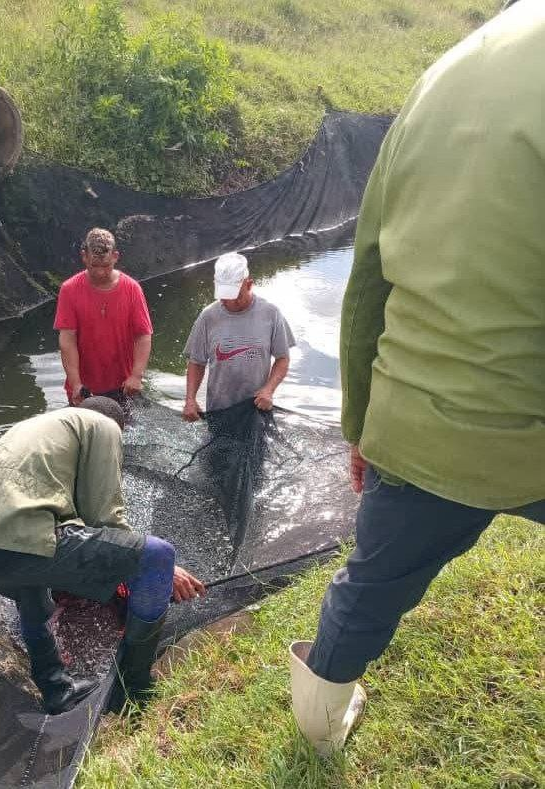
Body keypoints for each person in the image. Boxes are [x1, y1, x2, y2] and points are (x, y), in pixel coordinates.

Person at [289, 0, 545, 756]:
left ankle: (318, 726)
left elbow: (366, 276)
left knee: (367, 590)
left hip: (416, 421)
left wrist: (363, 425)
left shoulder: (442, 74)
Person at [0, 396, 205, 715]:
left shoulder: (32, 427)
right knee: (159, 554)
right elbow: (102, 515)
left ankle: (57, 690)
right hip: (17, 534)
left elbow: (59, 513)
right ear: (118, 427)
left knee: (33, 590)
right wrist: (157, 568)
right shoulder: (104, 425)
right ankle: (132, 688)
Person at [181, 252, 294, 420]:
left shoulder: (271, 313)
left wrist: (269, 390)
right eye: (224, 297)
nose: (230, 303)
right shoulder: (208, 316)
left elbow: (282, 358)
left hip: (256, 409)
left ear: (249, 284)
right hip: (218, 409)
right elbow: (197, 362)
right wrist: (190, 399)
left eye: (236, 297)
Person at [54, 228, 153, 408]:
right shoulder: (69, 289)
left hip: (123, 385)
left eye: (106, 266)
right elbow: (67, 339)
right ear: (84, 257)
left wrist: (136, 375)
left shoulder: (132, 289)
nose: (100, 272)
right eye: (94, 266)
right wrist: (75, 383)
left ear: (115, 256)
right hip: (83, 389)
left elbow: (143, 335)